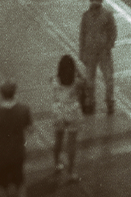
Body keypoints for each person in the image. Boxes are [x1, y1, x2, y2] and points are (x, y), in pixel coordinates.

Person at [0, 80, 32, 197]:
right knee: (20, 183)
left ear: (1, 94)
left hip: (2, 156)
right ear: (14, 93)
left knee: (2, 186)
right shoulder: (23, 110)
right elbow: (31, 129)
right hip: (18, 154)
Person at [78, 0, 117, 115]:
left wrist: (109, 46)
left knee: (109, 79)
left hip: (103, 53)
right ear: (90, 0)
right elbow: (82, 34)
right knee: (90, 80)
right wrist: (82, 52)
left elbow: (113, 32)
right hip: (90, 53)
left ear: (101, 0)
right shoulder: (86, 16)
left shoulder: (107, 15)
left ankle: (110, 101)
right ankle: (91, 102)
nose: (94, 2)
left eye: (97, 0)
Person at [48, 55, 86, 183]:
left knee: (58, 139)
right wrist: (77, 71)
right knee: (71, 143)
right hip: (72, 113)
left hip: (58, 112)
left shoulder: (54, 80)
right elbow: (85, 81)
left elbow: (52, 77)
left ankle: (57, 163)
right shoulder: (76, 82)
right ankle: (71, 172)